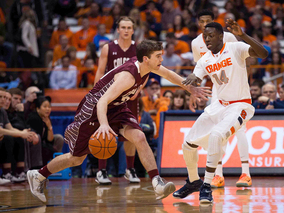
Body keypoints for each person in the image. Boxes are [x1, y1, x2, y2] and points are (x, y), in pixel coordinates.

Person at [26, 39, 211, 202]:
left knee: (139, 136)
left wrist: (191, 89)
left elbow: (170, 75)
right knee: (76, 159)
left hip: (117, 107)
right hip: (93, 109)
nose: (161, 60)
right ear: (146, 59)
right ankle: (39, 175)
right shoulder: (128, 76)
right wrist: (104, 124)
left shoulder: (149, 66)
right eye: (158, 56)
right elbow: (102, 102)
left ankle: (157, 182)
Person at [173, 20, 268, 203]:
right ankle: (193, 181)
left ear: (220, 36)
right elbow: (196, 78)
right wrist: (193, 80)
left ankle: (207, 186)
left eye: (210, 35)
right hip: (219, 106)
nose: (207, 39)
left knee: (216, 136)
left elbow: (263, 54)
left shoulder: (235, 48)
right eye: (204, 36)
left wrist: (243, 35)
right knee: (188, 144)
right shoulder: (204, 60)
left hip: (240, 106)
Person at [190, 9, 253, 188]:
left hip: (235, 87)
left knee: (239, 130)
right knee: (215, 132)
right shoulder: (196, 43)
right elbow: (199, 70)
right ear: (198, 24)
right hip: (218, 89)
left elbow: (242, 59)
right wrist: (193, 92)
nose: (204, 24)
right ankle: (218, 175)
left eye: (208, 21)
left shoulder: (229, 38)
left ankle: (245, 173)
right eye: (201, 21)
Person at [93, 16, 140, 185]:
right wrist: (96, 94)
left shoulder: (138, 49)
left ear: (133, 30)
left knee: (131, 134)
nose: (126, 30)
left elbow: (147, 72)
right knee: (105, 133)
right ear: (118, 29)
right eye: (123, 27)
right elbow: (100, 72)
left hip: (130, 97)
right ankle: (102, 171)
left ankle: (129, 169)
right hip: (111, 96)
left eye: (129, 27)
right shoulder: (108, 48)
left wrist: (138, 89)